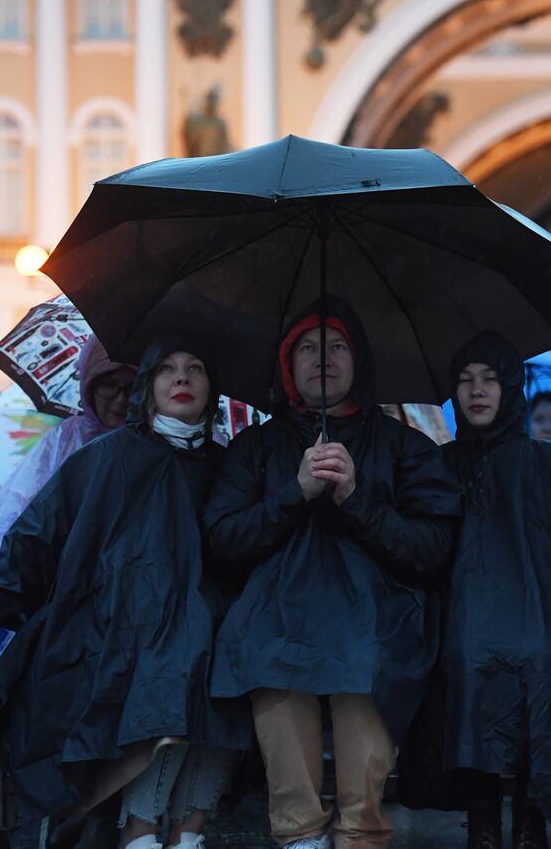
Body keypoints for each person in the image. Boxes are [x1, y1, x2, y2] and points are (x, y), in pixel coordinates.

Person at [206, 298, 462, 849]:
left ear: (359, 359)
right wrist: (293, 493)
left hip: (377, 616)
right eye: (308, 347)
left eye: (337, 345)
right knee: (271, 653)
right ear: (288, 364)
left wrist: (355, 499)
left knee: (365, 662)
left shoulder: (404, 447)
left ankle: (359, 833)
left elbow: (433, 548)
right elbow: (222, 542)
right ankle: (298, 834)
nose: (323, 359)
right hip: (275, 615)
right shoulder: (255, 448)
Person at [0, 341, 249, 849]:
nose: (181, 378)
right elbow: (34, 540)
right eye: (167, 369)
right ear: (147, 388)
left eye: (195, 367)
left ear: (212, 389)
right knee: (177, 662)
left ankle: (187, 833)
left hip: (207, 625)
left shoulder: (228, 465)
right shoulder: (103, 457)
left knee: (220, 663)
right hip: (110, 627)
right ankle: (141, 830)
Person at [443, 331, 551, 848]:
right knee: (467, 661)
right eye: (466, 380)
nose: (477, 391)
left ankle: (528, 818)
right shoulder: (444, 464)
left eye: (490, 380)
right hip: (466, 623)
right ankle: (483, 823)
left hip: (540, 620)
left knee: (546, 664)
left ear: (511, 387)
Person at [0, 335, 135, 618]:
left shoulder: (154, 447)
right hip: (59, 592)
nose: (120, 399)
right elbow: (18, 515)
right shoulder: (64, 439)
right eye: (109, 384)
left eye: (132, 388)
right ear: (89, 384)